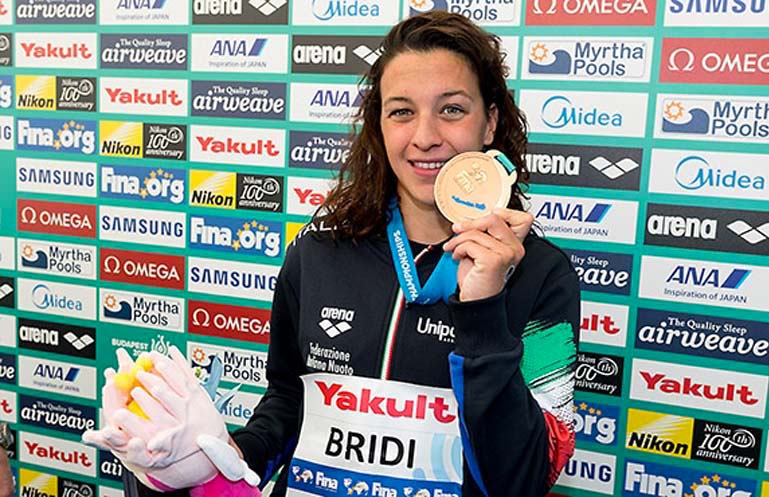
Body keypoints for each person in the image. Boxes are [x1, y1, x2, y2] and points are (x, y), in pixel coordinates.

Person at [89, 11, 579, 497]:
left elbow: (525, 479)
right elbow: (288, 403)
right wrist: (217, 459)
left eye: (451, 109)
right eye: (401, 111)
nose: (425, 136)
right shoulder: (318, 252)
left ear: (490, 122)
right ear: (379, 126)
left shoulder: (542, 274)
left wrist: (484, 313)